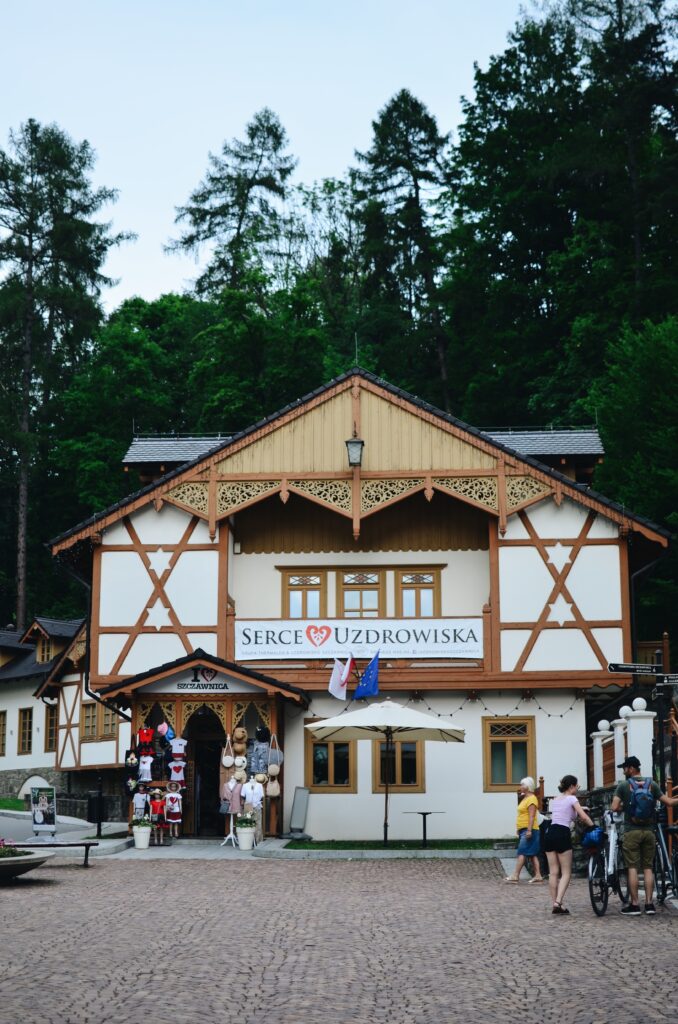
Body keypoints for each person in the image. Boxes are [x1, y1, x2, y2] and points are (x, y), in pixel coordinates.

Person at [610, 755, 678, 916]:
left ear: (631, 768)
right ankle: (649, 905)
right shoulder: (652, 784)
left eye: (625, 768)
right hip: (649, 831)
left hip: (631, 831)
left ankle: (634, 905)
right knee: (648, 868)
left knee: (632, 867)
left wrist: (625, 807)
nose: (624, 771)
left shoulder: (624, 786)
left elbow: (614, 807)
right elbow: (669, 802)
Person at [544, 774, 593, 915]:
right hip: (562, 833)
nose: (577, 789)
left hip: (550, 833)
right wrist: (593, 826)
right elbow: (582, 816)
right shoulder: (572, 798)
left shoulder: (556, 799)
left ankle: (556, 904)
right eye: (577, 786)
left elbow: (567, 813)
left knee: (553, 872)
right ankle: (558, 902)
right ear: (571, 786)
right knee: (566, 872)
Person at [505, 777, 544, 884]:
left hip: (530, 830)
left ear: (528, 787)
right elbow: (522, 814)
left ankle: (515, 875)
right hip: (524, 829)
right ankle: (538, 875)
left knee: (521, 852)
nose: (520, 787)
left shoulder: (532, 799)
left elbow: (531, 816)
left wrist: (529, 830)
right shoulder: (525, 798)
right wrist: (519, 828)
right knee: (532, 854)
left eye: (522, 785)